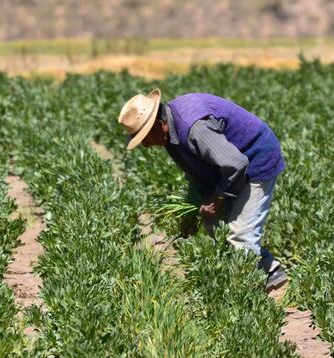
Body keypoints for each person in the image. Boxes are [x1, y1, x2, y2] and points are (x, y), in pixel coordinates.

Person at [118, 89, 288, 291]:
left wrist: (217, 198)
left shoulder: (193, 129)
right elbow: (197, 174)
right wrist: (193, 211)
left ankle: (246, 297)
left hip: (255, 159)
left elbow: (236, 164)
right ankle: (269, 269)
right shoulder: (169, 134)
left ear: (157, 125)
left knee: (240, 236)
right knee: (212, 222)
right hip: (230, 166)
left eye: (143, 137)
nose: (145, 145)